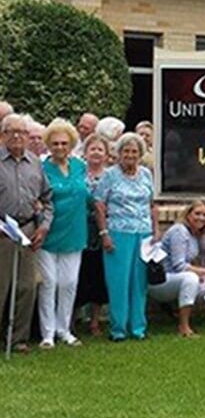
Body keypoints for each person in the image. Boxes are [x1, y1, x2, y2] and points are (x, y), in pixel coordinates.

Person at [95, 132, 158, 341]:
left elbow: (152, 204)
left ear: (140, 154)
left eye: (134, 151)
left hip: (143, 234)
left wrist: (156, 231)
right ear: (119, 153)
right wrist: (104, 233)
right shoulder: (109, 175)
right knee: (118, 282)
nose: (130, 155)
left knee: (139, 282)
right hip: (118, 232)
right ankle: (118, 329)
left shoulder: (147, 174)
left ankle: (138, 328)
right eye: (126, 151)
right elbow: (99, 205)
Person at [0, 114, 53, 353]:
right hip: (2, 230)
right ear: (3, 135)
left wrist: (43, 226)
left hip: (28, 230)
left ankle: (17, 338)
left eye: (22, 132)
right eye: (12, 132)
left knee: (27, 286)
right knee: (1, 286)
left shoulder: (35, 164)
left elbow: (47, 199)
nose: (18, 136)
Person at [37, 119, 89, 349]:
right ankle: (47, 333)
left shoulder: (80, 166)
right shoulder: (41, 167)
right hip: (49, 232)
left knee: (69, 283)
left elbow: (88, 194)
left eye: (64, 143)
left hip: (75, 231)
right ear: (48, 144)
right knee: (49, 283)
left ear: (71, 145)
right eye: (55, 143)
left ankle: (64, 329)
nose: (59, 147)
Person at [148, 200, 205, 336]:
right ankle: (184, 326)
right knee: (191, 279)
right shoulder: (180, 231)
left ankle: (177, 310)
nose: (201, 218)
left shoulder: (196, 233)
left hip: (177, 279)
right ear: (188, 214)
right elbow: (179, 266)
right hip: (160, 281)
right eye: (197, 213)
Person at [75, 133, 110, 336]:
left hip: (102, 231)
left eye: (100, 149)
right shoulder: (78, 173)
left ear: (106, 155)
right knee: (79, 275)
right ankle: (74, 318)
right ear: (85, 153)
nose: (96, 153)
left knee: (98, 275)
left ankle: (95, 321)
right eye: (92, 149)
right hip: (80, 228)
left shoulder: (110, 176)